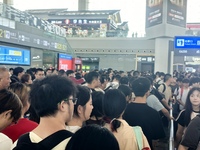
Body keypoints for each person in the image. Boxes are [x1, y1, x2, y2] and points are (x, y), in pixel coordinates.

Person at [13, 75, 77, 150]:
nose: (73, 104)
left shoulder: (20, 142)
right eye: (72, 100)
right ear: (63, 105)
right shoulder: (75, 143)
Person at [123, 77, 165, 149]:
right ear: (147, 92)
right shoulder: (153, 113)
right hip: (146, 147)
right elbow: (157, 136)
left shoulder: (123, 110)